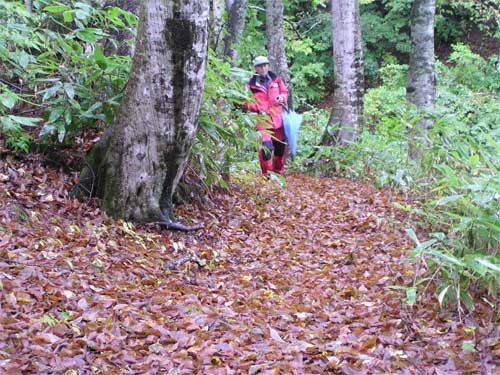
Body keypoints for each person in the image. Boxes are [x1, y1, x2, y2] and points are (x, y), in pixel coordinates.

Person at [244, 56, 288, 175]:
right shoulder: (250, 84)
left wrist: (282, 98)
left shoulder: (276, 80)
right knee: (265, 149)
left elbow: (284, 92)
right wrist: (258, 107)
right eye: (260, 66)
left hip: (278, 120)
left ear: (268, 66)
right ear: (255, 68)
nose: (263, 68)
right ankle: (267, 175)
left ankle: (278, 173)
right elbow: (245, 102)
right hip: (263, 122)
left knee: (280, 149)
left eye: (265, 65)